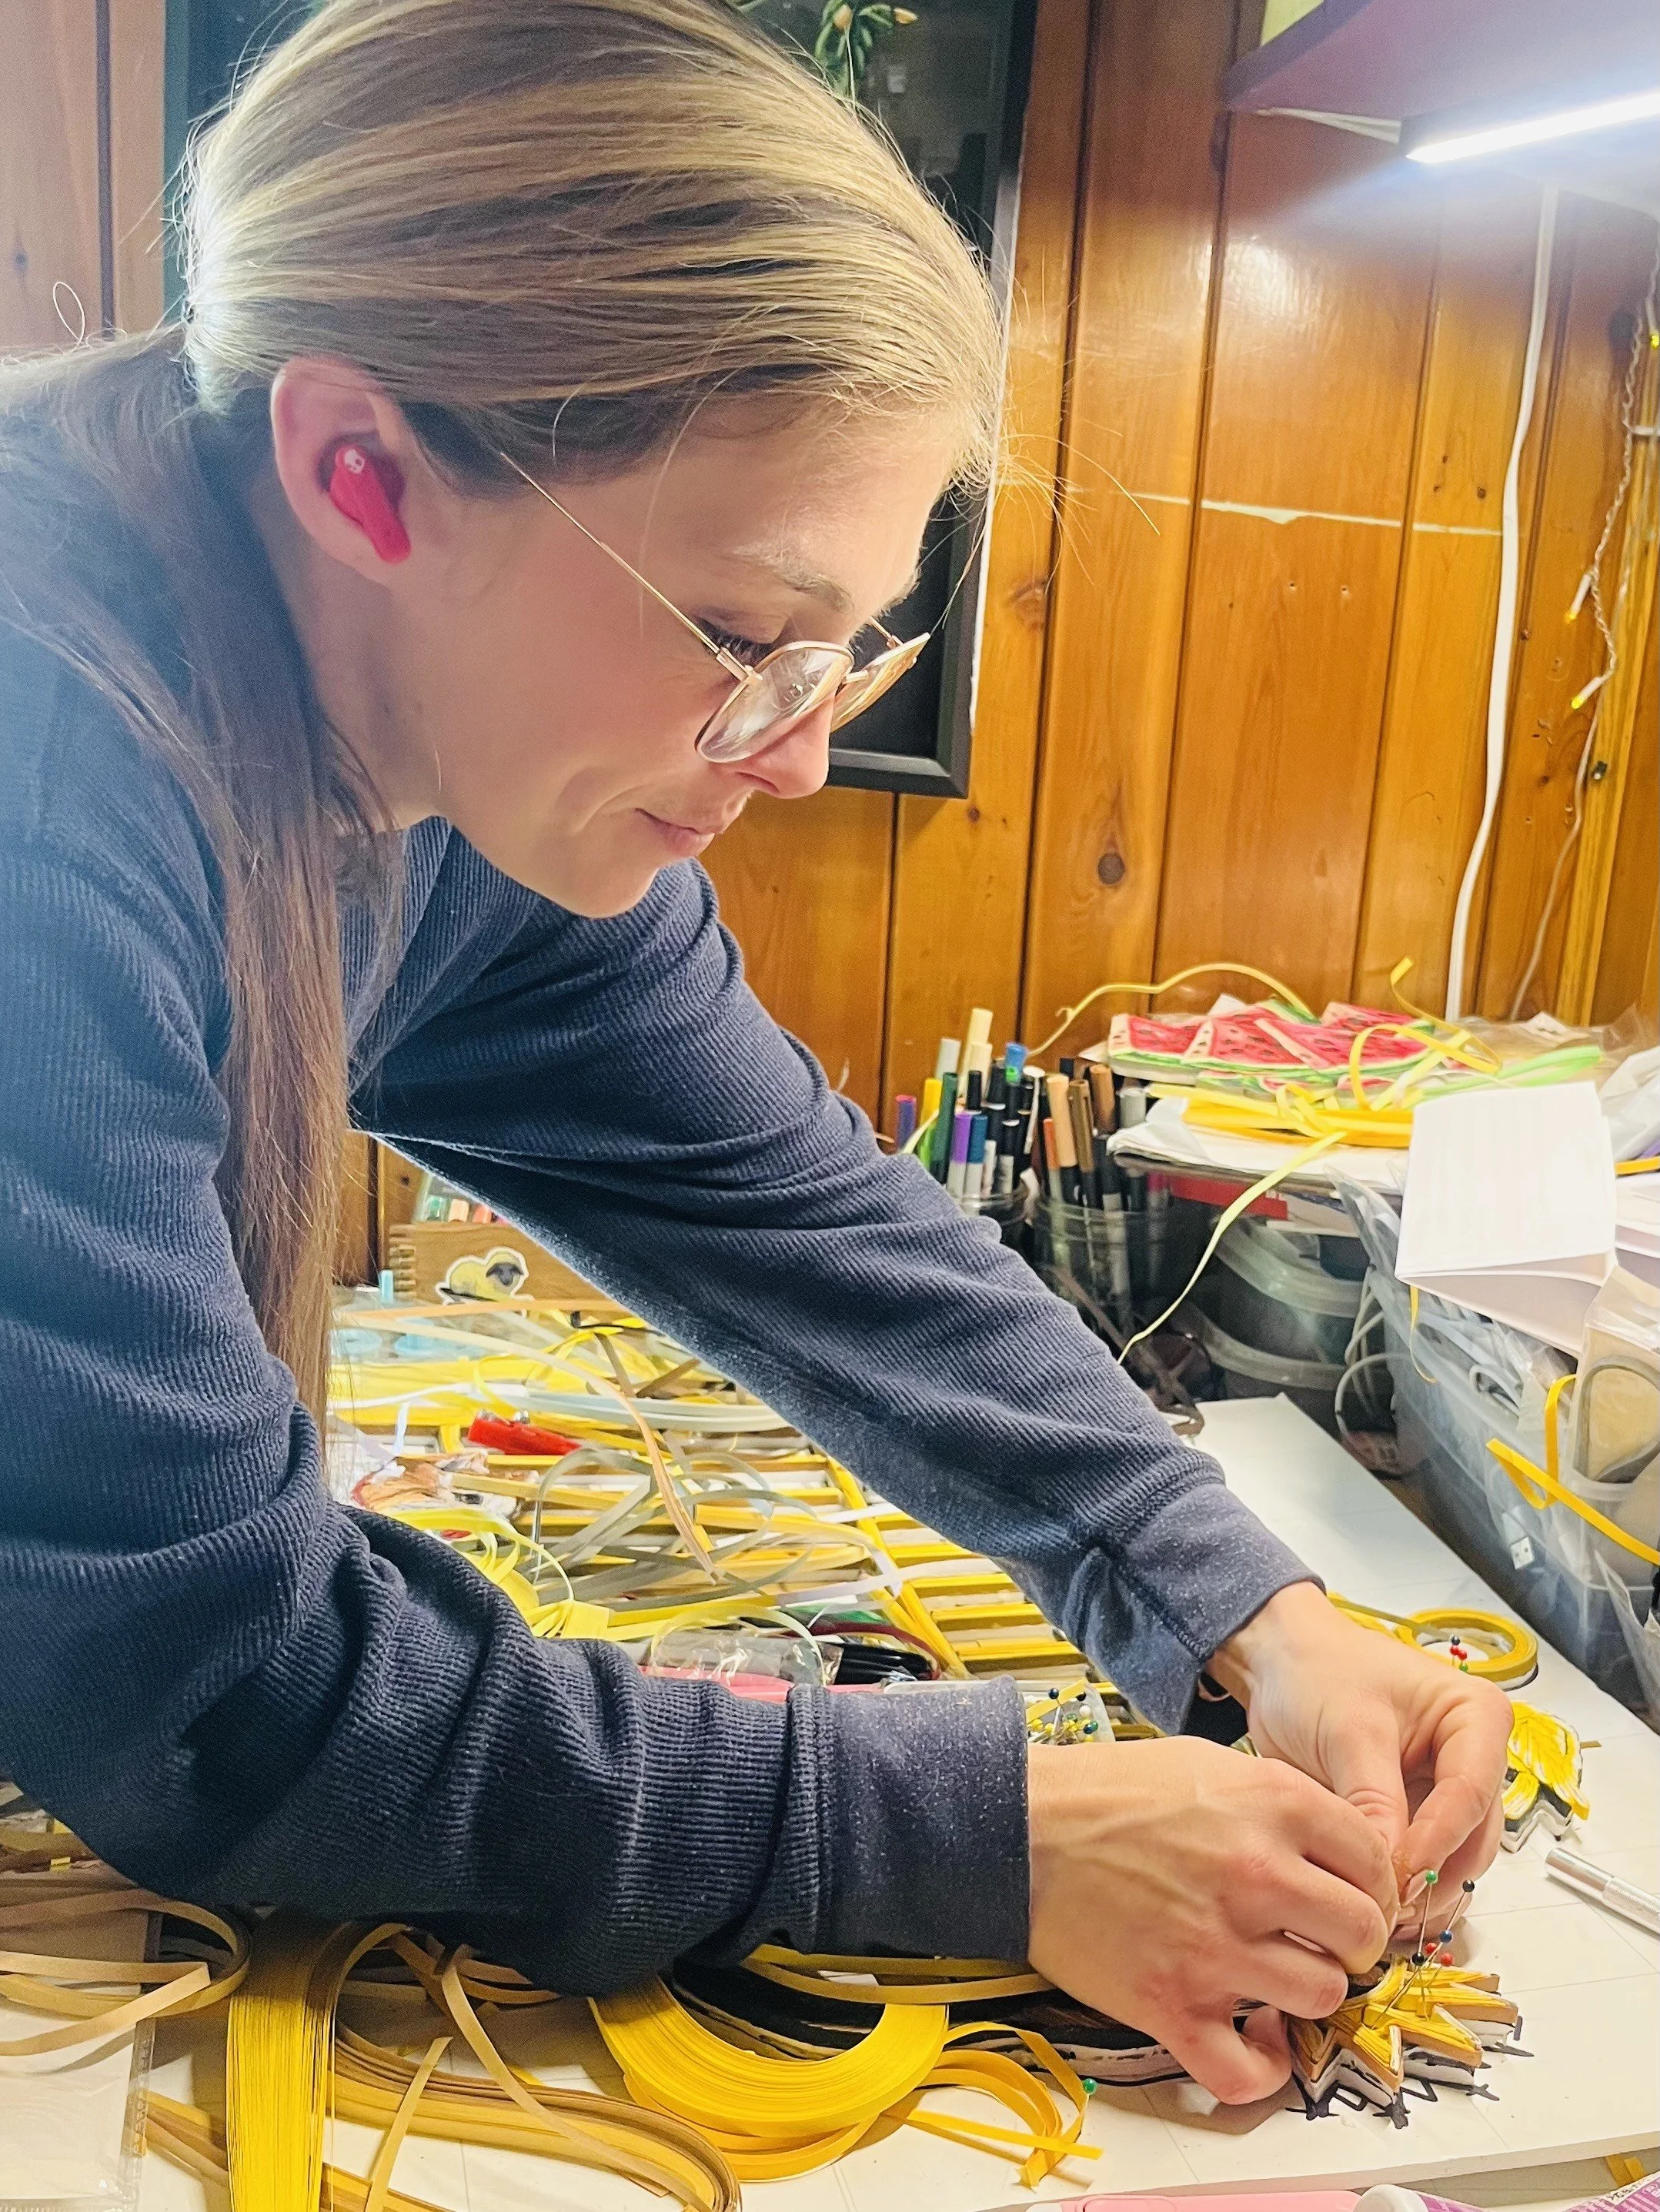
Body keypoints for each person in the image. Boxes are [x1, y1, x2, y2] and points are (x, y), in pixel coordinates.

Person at [0, 0, 1510, 2106]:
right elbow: (199, 1695)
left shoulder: (431, 756)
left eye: (849, 648)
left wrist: (1238, 1601)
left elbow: (785, 1199)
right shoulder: (47, 790)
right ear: (362, 471)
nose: (798, 753)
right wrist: (976, 1835)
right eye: (738, 638)